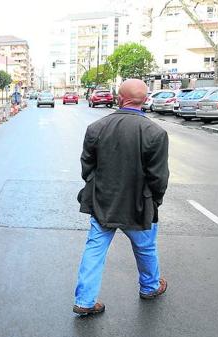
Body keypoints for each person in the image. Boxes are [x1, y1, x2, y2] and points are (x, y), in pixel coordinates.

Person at [73, 79, 170, 316]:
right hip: (139, 203)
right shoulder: (155, 133)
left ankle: (85, 300)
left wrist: (96, 188)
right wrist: (154, 201)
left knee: (95, 249)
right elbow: (158, 177)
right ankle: (150, 286)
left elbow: (87, 165)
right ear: (145, 100)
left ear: (119, 98)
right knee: (146, 247)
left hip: (103, 203)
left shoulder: (96, 128)